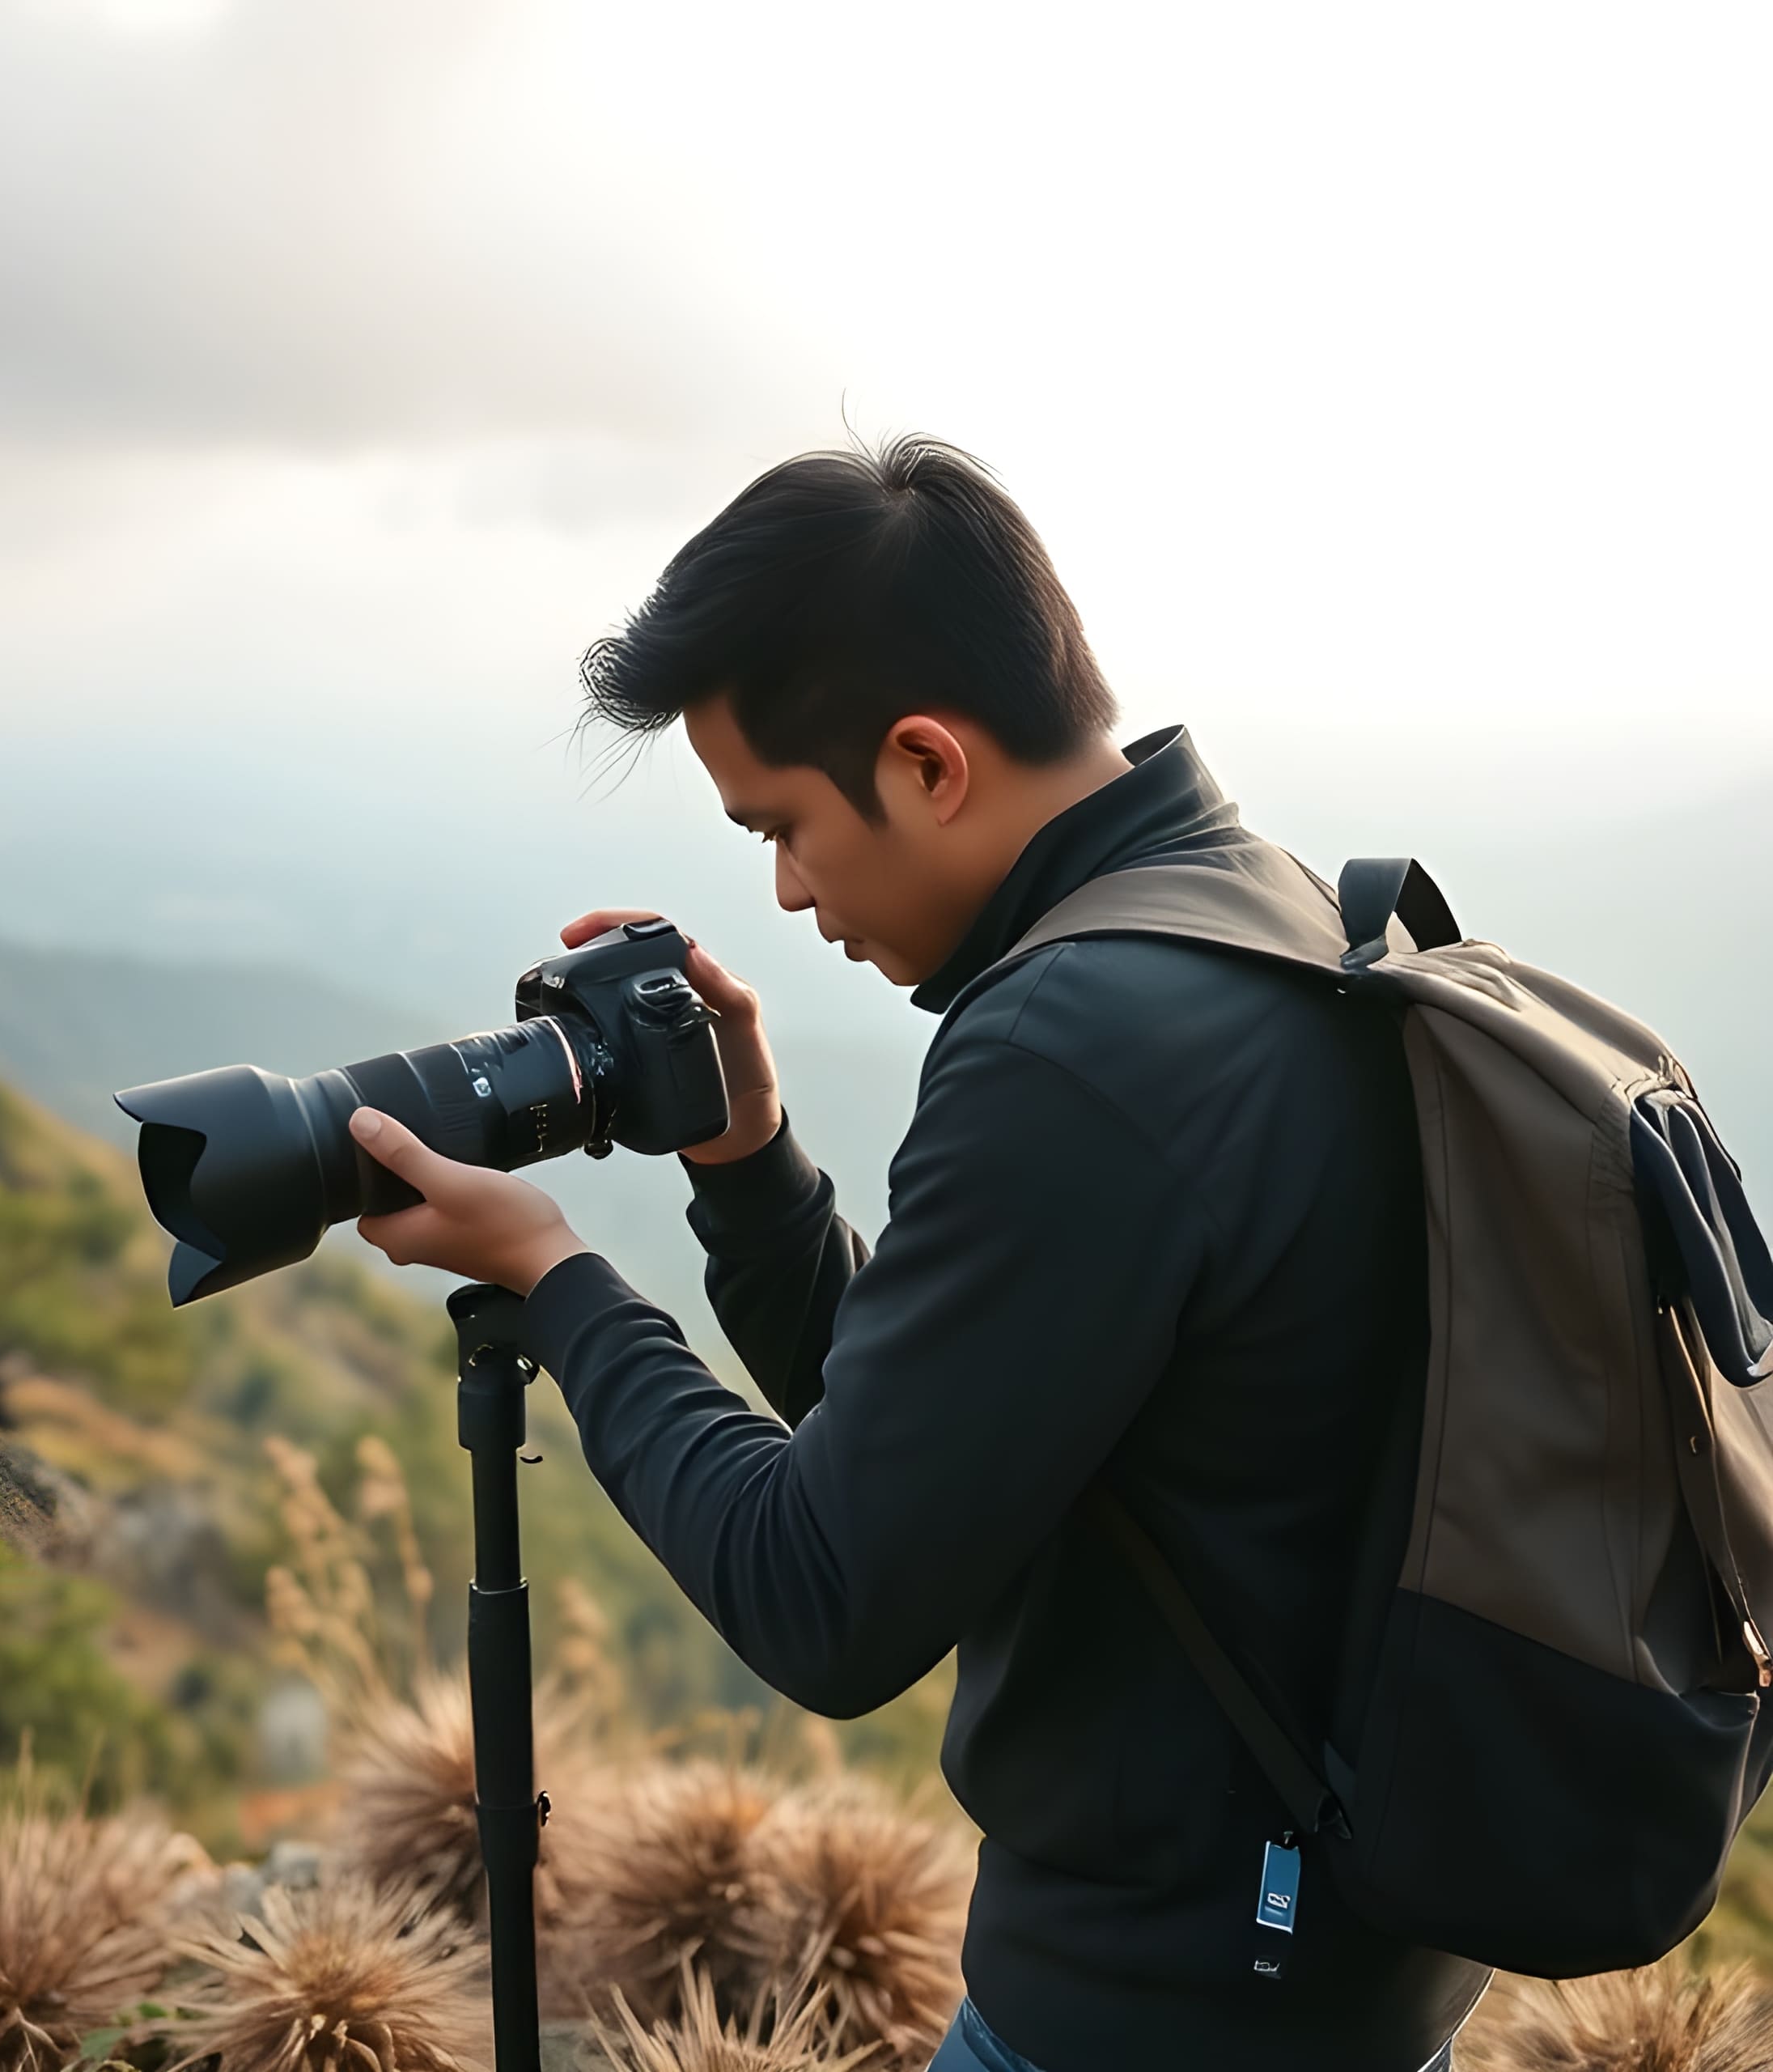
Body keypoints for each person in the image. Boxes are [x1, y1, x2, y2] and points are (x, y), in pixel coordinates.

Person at [341, 435, 1491, 2071]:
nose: (790, 890)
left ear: (927, 762)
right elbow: (936, 1452)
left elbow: (824, 1596)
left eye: (783, 825)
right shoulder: (1269, 919)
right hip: (1326, 1979)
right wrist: (745, 1163)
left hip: (1137, 2019)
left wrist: (557, 1283)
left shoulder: (1066, 1048)